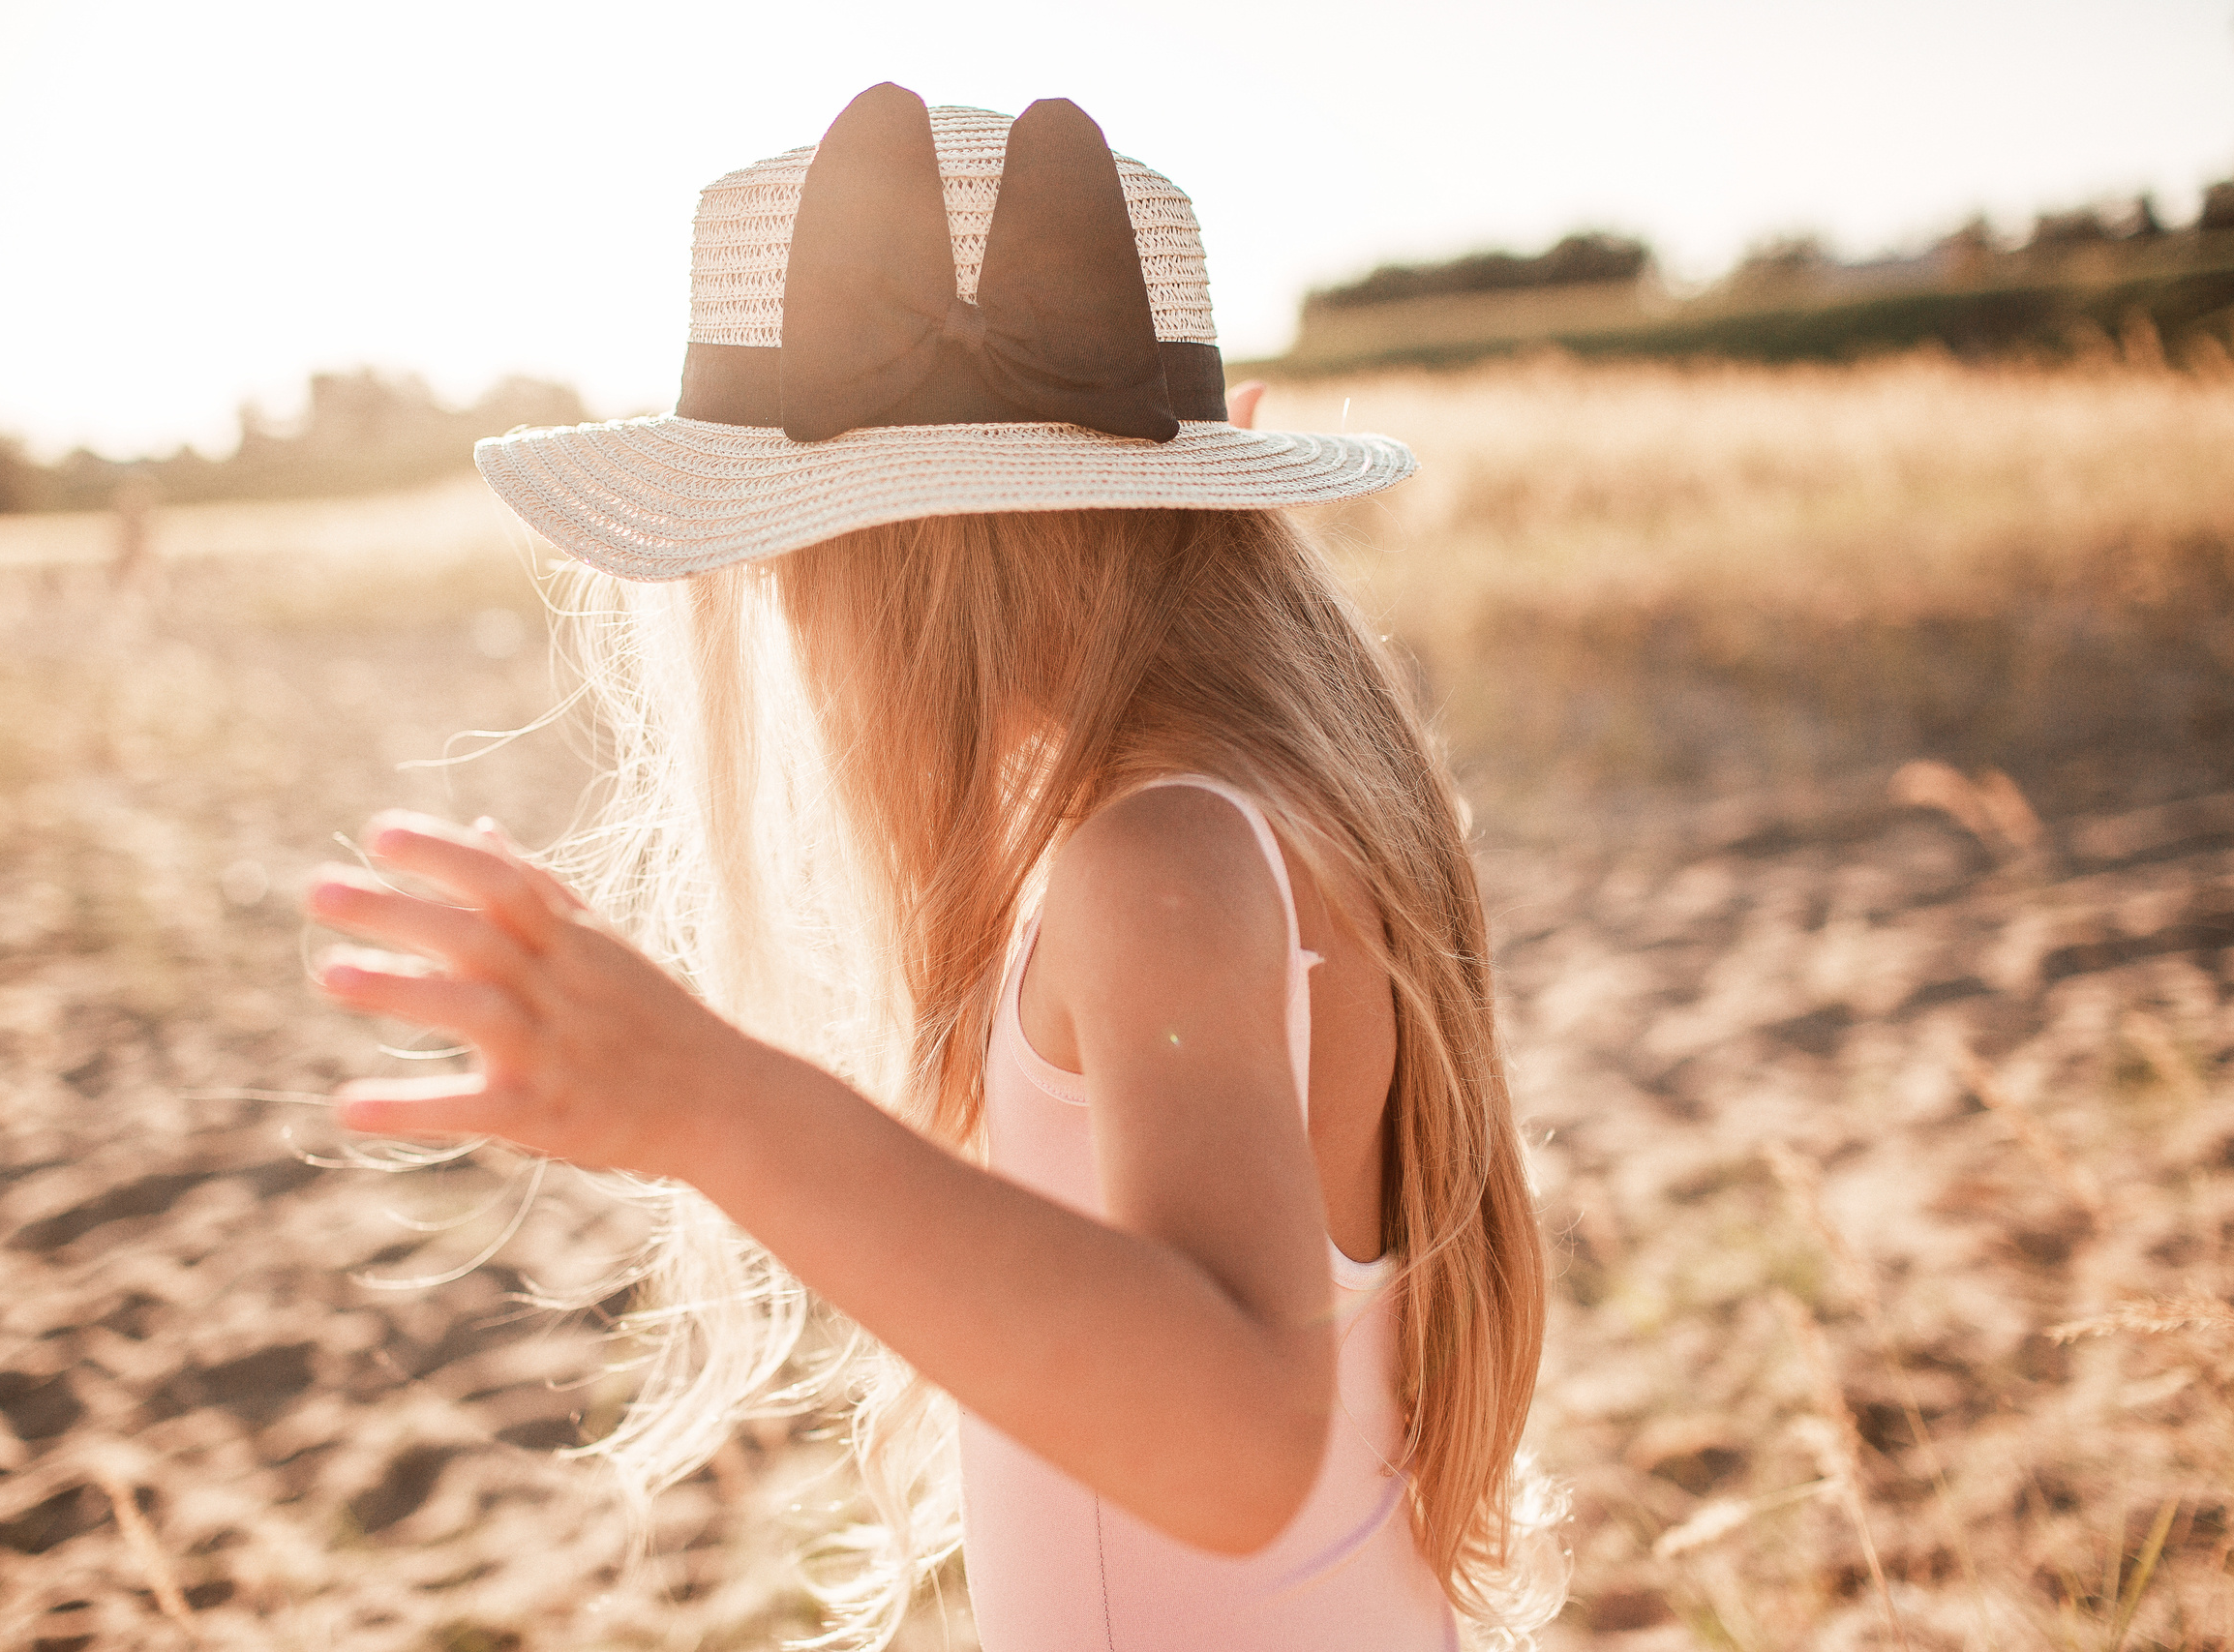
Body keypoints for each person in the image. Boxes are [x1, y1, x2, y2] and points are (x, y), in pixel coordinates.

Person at [305, 84, 1560, 1650]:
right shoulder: (1247, 805)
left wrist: (712, 1099)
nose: (780, 616)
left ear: (885, 562)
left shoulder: (1157, 862)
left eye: (778, 561)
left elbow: (1240, 1438)